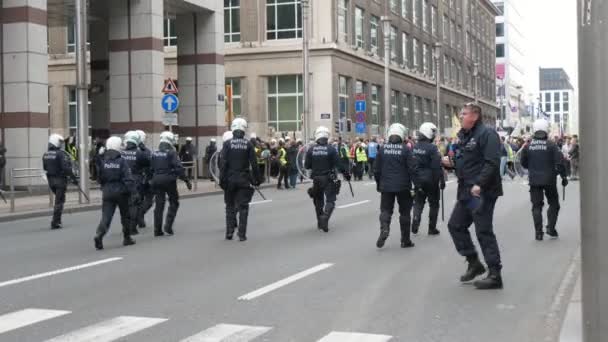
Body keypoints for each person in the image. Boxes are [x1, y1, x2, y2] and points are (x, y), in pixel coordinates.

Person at [442, 103, 504, 290]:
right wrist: (449, 164)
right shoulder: (463, 136)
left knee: (483, 230)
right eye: (460, 113)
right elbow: (465, 162)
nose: (460, 116)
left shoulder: (487, 134)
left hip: (482, 191)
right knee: (455, 225)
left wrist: (480, 184)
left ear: (475, 116)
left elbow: (491, 162)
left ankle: (495, 274)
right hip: (466, 190)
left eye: (464, 113)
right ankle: (474, 262)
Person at [520, 119, 568, 240]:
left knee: (536, 206)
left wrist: (533, 167)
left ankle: (538, 233)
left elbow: (523, 163)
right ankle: (550, 229)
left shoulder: (528, 146)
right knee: (554, 204)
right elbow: (560, 163)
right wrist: (563, 177)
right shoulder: (552, 145)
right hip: (549, 180)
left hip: (534, 180)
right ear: (546, 130)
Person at [374, 123, 418, 248]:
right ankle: (405, 240)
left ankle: (385, 228)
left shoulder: (382, 149)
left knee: (386, 210)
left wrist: (379, 184)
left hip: (386, 186)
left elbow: (376, 170)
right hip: (403, 186)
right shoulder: (406, 149)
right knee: (404, 213)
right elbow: (413, 169)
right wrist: (417, 185)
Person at [219, 118, 261, 241]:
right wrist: (257, 180)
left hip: (230, 180)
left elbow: (223, 164)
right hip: (244, 179)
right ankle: (241, 234)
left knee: (230, 207)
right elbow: (254, 164)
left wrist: (222, 180)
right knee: (243, 207)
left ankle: (229, 232)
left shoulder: (227, 144)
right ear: (243, 130)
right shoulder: (248, 144)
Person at [304, 126, 351, 232]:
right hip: (328, 178)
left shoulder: (311, 149)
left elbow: (307, 166)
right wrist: (346, 174)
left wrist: (315, 165)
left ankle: (320, 222)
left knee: (318, 200)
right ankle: (325, 217)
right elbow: (339, 164)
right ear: (327, 136)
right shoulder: (331, 149)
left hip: (316, 178)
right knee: (331, 199)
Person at [94, 136, 137, 250]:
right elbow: (128, 178)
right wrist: (133, 192)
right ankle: (127, 238)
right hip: (121, 192)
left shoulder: (103, 161)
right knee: (125, 216)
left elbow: (99, 178)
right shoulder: (122, 161)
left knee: (106, 216)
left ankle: (99, 234)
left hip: (107, 191)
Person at [150, 131, 192, 237]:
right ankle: (168, 226)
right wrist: (186, 180)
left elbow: (150, 168)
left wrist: (151, 179)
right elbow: (179, 168)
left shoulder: (154, 152)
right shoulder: (171, 152)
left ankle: (157, 230)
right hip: (169, 181)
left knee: (159, 205)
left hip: (156, 180)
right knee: (174, 202)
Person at [411, 122, 445, 236]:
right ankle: (432, 228)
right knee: (434, 204)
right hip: (431, 180)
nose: (434, 135)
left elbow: (412, 165)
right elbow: (437, 166)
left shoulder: (415, 147)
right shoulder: (432, 148)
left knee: (418, 202)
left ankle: (416, 219)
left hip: (418, 180)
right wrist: (441, 180)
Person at [43, 134, 77, 229]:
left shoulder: (46, 154)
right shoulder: (61, 154)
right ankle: (55, 222)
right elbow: (66, 168)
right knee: (59, 201)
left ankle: (57, 220)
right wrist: (74, 178)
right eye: (60, 142)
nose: (61, 144)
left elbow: (45, 167)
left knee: (59, 200)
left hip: (51, 181)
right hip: (60, 180)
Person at [121, 131, 151, 236]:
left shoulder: (122, 153)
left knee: (126, 205)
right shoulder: (139, 153)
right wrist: (144, 149)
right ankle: (132, 227)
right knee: (135, 204)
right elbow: (149, 160)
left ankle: (126, 226)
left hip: (123, 181)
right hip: (137, 181)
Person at [134, 130, 154, 228]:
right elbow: (150, 165)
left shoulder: (129, 150)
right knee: (149, 200)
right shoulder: (145, 151)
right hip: (144, 179)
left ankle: (139, 219)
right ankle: (139, 217)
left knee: (139, 201)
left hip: (135, 180)